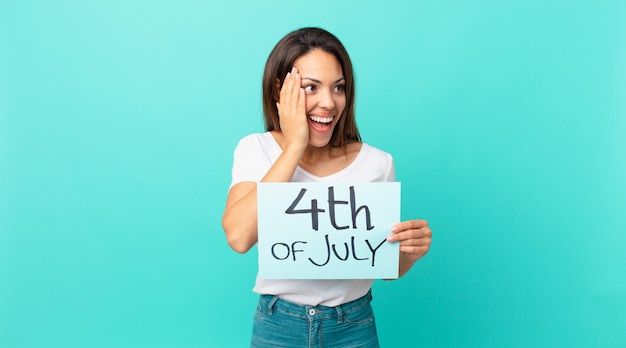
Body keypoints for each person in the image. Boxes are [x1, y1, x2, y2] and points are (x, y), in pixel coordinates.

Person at [222, 27, 432, 347]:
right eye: (310, 87)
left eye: (338, 88)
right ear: (282, 90)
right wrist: (294, 147)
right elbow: (239, 237)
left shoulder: (378, 164)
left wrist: (409, 253)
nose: (328, 103)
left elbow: (384, 267)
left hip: (353, 325)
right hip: (279, 323)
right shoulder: (257, 150)